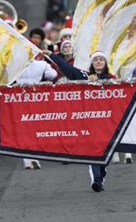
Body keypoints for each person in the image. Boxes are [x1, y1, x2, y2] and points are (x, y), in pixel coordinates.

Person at [49, 50, 115, 192]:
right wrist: (52, 55)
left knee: (103, 152)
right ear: (92, 63)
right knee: (92, 151)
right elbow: (68, 69)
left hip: (106, 121)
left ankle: (101, 175)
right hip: (89, 121)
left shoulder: (113, 78)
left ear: (105, 63)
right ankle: (96, 180)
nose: (98, 61)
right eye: (95, 59)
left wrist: (102, 83)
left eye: (101, 59)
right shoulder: (84, 76)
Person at [17, 55, 58, 169]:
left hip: (19, 98)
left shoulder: (15, 64)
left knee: (24, 129)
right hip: (36, 98)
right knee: (35, 127)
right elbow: (53, 75)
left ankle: (28, 159)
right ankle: (34, 156)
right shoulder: (41, 64)